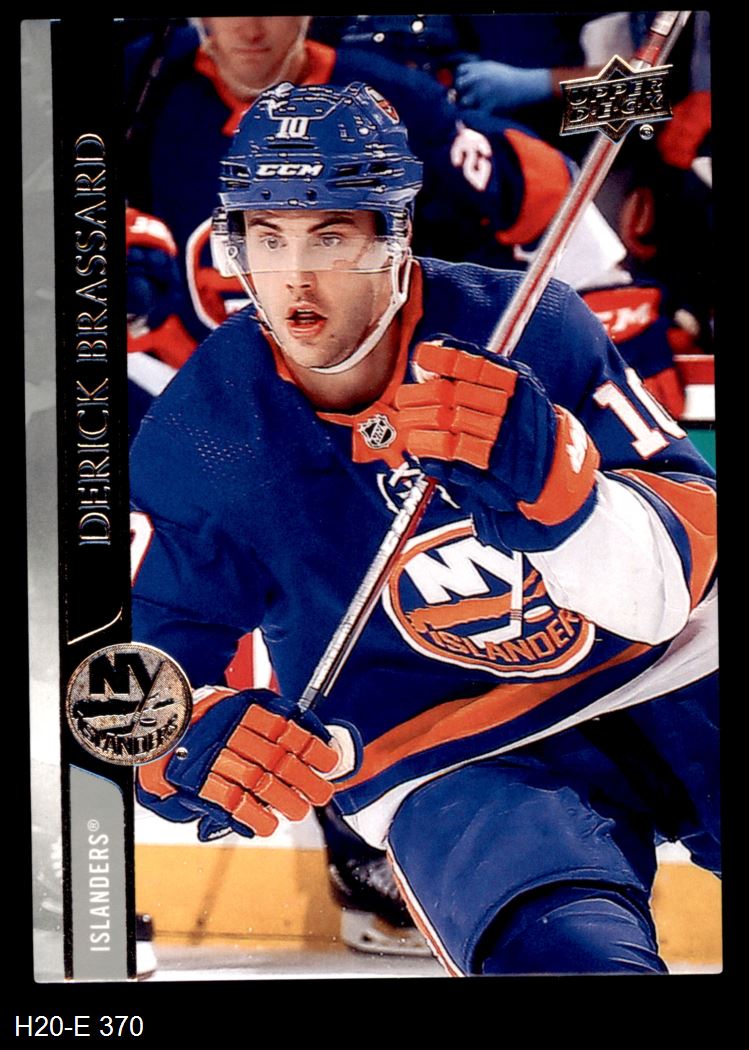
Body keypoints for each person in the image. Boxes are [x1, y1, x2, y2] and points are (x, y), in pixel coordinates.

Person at [131, 82, 718, 976]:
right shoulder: (201, 435)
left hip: (676, 674)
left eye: (330, 236)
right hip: (441, 752)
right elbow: (140, 677)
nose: (294, 278)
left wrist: (567, 499)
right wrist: (184, 737)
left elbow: (679, 577)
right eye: (268, 236)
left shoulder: (529, 329)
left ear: (394, 234)